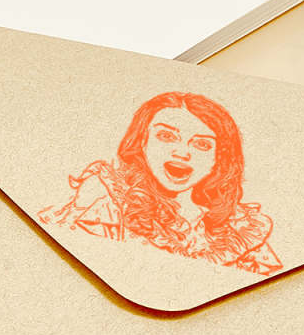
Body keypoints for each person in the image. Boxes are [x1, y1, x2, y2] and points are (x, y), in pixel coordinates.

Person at [38, 92, 282, 275]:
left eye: (202, 144)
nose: (182, 153)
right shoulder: (108, 199)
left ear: (219, 158)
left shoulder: (239, 227)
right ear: (142, 142)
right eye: (166, 136)